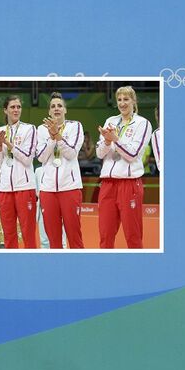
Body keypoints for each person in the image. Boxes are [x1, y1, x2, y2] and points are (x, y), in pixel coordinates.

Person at [96, 85, 153, 248]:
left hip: (129, 184)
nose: (122, 103)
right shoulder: (110, 121)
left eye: (126, 99)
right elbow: (99, 153)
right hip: (107, 184)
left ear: (134, 101)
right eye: (119, 99)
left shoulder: (143, 124)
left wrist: (115, 139)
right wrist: (107, 142)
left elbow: (133, 154)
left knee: (133, 236)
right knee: (105, 235)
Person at [35, 92, 85, 249]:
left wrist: (57, 134)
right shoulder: (41, 129)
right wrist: (52, 138)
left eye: (59, 106)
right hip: (48, 190)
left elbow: (71, 153)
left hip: (70, 188)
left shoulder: (75, 126)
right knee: (53, 240)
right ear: (49, 111)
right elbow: (41, 158)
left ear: (65, 110)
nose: (56, 108)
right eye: (53, 106)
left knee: (74, 237)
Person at [0, 95, 38, 248]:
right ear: (5, 110)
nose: (16, 110)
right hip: (4, 188)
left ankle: (31, 261)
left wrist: (8, 143)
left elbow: (28, 158)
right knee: (8, 234)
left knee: (28, 233)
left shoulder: (29, 129)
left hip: (24, 187)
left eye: (18, 107)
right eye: (12, 107)